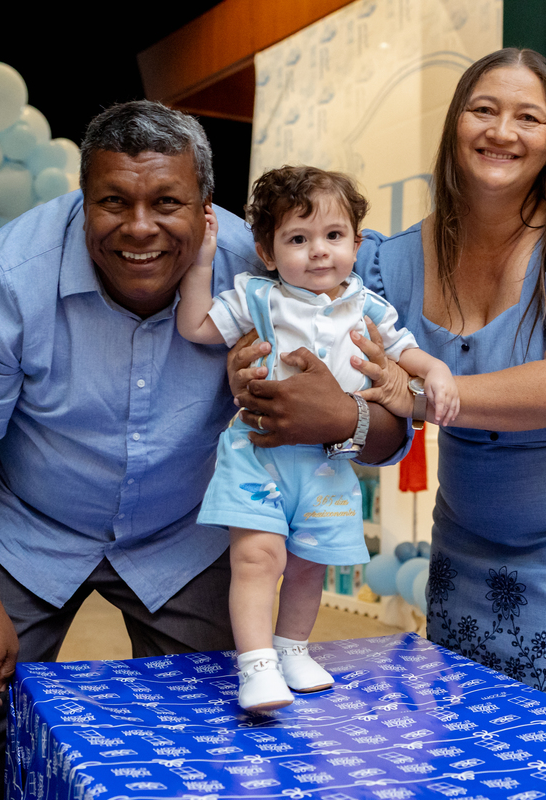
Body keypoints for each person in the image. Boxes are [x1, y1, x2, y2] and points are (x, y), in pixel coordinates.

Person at [0, 102, 408, 798]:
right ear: (84, 199)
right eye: (113, 201)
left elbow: (390, 431)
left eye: (167, 202)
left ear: (206, 206)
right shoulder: (5, 279)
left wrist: (339, 415)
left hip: (185, 534)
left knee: (217, 729)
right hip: (30, 532)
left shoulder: (268, 265)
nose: (139, 226)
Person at [256, 49, 546, 727]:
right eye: (484, 109)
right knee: (464, 711)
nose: (502, 131)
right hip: (471, 523)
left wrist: (420, 396)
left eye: (528, 117)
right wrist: (329, 405)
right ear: (455, 123)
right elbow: (375, 403)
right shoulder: (391, 260)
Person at [177, 166, 457, 711]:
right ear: (267, 251)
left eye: (333, 235)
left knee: (311, 563)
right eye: (298, 239)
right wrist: (203, 263)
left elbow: (405, 351)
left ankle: (292, 649)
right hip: (260, 454)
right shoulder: (259, 297)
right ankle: (256, 665)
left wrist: (437, 371)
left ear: (356, 243)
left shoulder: (369, 306)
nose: (319, 251)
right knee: (258, 560)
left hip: (328, 462)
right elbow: (195, 327)